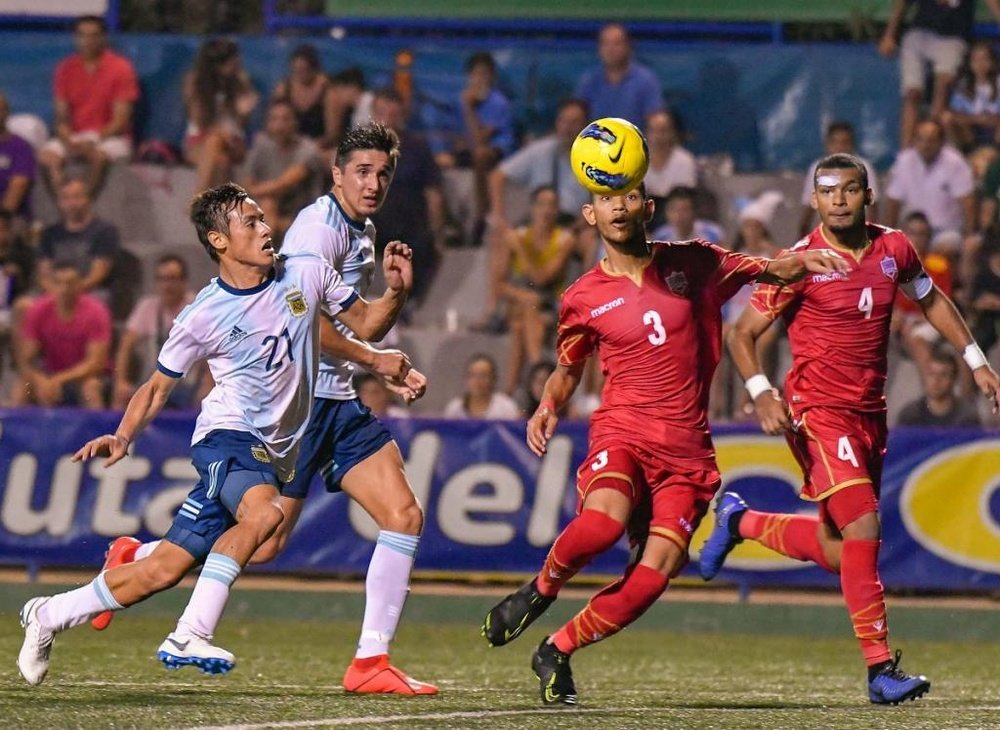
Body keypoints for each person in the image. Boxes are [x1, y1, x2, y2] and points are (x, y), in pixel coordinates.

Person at [17, 182, 413, 686]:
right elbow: (157, 387)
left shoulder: (307, 273)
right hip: (226, 436)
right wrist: (123, 435)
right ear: (219, 241)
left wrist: (395, 292)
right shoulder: (203, 313)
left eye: (263, 219)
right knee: (264, 513)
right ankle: (190, 632)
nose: (266, 229)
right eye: (250, 223)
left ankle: (47, 613)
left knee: (160, 571)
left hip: (274, 448)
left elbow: (368, 324)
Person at [480, 181, 849, 706]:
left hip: (687, 452)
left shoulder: (696, 263)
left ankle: (557, 649)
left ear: (647, 208)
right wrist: (546, 406)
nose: (620, 208)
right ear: (590, 213)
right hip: (623, 431)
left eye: (630, 198)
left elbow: (770, 269)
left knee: (652, 579)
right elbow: (567, 370)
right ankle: (539, 591)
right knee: (604, 522)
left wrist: (805, 258)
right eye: (608, 200)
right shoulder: (582, 296)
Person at [95, 124, 434, 695]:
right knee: (266, 539)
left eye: (383, 173)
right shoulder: (316, 232)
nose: (374, 183)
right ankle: (140, 558)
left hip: (336, 402)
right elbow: (298, 320)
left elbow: (366, 321)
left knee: (402, 516)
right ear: (336, 174)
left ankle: (370, 663)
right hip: (296, 409)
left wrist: (395, 297)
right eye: (362, 172)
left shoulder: (363, 230)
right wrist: (376, 363)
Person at [701, 153, 1000, 705]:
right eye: (828, 191)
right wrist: (762, 393)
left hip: (869, 414)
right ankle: (880, 671)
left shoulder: (894, 249)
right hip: (817, 412)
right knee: (864, 526)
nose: (838, 199)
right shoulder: (798, 263)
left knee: (843, 550)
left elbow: (931, 300)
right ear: (813, 201)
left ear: (868, 196)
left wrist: (975, 359)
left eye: (849, 189)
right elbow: (740, 334)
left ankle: (740, 521)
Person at [38, 15, 139, 195]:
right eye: (82, 35)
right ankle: (66, 204)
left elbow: (121, 120)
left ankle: (83, 202)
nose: (87, 41)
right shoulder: (65, 68)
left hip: (110, 138)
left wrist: (93, 140)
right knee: (47, 157)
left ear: (104, 38)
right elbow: (61, 116)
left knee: (98, 157)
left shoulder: (121, 68)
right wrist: (68, 140)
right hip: (75, 136)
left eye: (93, 35)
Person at [879, 0, 1000, 148]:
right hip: (920, 32)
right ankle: (905, 155)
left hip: (953, 36)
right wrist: (889, 35)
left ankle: (932, 142)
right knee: (912, 94)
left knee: (943, 84)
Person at [369, 87, 448, 307]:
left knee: (426, 246)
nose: (388, 119)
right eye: (383, 113)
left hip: (408, 226)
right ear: (374, 114)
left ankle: (408, 304)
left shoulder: (417, 148)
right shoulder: (359, 148)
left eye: (393, 114)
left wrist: (438, 231)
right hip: (369, 222)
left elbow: (433, 193)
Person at [498, 185, 575, 394]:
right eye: (541, 204)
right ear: (532, 208)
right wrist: (522, 296)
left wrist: (520, 248)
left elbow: (542, 278)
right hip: (521, 302)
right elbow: (500, 285)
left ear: (557, 210)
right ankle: (537, 369)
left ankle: (515, 386)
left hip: (552, 302)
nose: (546, 210)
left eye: (552, 205)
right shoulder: (518, 236)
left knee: (519, 325)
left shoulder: (564, 240)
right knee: (527, 305)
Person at [434, 51, 515, 243]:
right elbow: (454, 136)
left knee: (480, 155)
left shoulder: (498, 102)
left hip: (496, 151)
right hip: (468, 150)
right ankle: (451, 224)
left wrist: (469, 108)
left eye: (484, 75)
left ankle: (481, 216)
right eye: (476, 74)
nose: (480, 80)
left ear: (492, 78)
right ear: (469, 77)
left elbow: (480, 140)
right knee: (434, 162)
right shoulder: (458, 100)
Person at [112, 254, 205, 410]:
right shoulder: (147, 307)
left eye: (172, 279)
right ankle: (118, 434)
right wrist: (121, 381)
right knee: (122, 398)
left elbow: (214, 349)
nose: (167, 285)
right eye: (162, 279)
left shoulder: (198, 308)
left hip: (189, 385)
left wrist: (208, 383)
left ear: (184, 281)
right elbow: (126, 345)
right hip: (153, 383)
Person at [13, 261, 110, 408]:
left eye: (70, 283)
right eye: (59, 283)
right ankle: (10, 430)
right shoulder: (38, 310)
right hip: (50, 375)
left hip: (83, 377)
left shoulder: (96, 312)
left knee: (91, 388)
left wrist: (58, 379)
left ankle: (99, 430)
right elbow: (26, 360)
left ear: (79, 284)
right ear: (51, 285)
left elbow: (95, 363)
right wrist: (40, 380)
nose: (64, 289)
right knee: (23, 385)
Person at [884, 118, 975, 247]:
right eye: (921, 139)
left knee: (945, 249)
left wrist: (969, 235)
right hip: (912, 230)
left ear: (941, 142)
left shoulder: (955, 163)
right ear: (914, 140)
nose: (925, 145)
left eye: (931, 140)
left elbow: (968, 204)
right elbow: (893, 202)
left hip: (945, 231)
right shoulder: (904, 161)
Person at [183, 39, 259, 192]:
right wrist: (220, 133)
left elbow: (240, 125)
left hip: (234, 141)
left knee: (217, 143)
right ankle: (217, 211)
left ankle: (200, 198)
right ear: (216, 65)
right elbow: (199, 121)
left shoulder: (241, 82)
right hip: (201, 140)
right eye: (232, 63)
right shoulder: (195, 82)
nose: (236, 65)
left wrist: (244, 113)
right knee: (221, 159)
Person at [242, 99, 322, 240]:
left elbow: (283, 184)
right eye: (274, 119)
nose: (279, 125)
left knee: (267, 205)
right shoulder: (261, 147)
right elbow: (247, 181)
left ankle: (261, 257)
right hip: (266, 209)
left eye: (285, 119)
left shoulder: (308, 150)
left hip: (301, 213)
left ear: (295, 122)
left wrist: (249, 191)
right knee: (267, 205)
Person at [36, 178, 120, 303]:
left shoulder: (105, 231)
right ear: (59, 203)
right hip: (56, 292)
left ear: (89, 200)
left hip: (91, 291)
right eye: (66, 198)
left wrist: (69, 292)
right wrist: (57, 292)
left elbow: (98, 274)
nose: (72, 203)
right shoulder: (49, 233)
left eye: (77, 197)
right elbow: (44, 274)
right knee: (24, 305)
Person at [574, 22, 665, 127]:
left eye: (616, 44)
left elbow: (655, 119)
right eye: (605, 43)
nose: (610, 49)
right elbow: (576, 116)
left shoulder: (646, 80)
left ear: (629, 47)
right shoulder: (589, 79)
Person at [798, 121, 878, 237]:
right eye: (835, 142)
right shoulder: (817, 168)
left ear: (852, 144)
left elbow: (872, 209)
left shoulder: (864, 167)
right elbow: (808, 209)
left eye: (845, 143)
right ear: (827, 145)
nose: (840, 147)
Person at [271, 44, 337, 150]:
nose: (301, 75)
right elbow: (272, 124)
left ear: (314, 69)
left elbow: (333, 134)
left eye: (305, 70)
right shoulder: (284, 89)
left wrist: (308, 148)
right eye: (297, 71)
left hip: (319, 148)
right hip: (288, 146)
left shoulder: (328, 91)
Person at [897, 346, 981, 426]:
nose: (936, 380)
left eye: (943, 375)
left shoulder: (967, 417)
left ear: (954, 379)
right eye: (931, 374)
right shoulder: (910, 415)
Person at [643, 110, 696, 230]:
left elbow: (685, 198)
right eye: (654, 130)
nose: (658, 136)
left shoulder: (685, 161)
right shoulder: (637, 160)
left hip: (676, 219)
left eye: (663, 131)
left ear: (673, 132)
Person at [942, 40, 1000, 150]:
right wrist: (976, 119)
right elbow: (955, 114)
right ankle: (964, 155)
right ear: (969, 63)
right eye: (976, 59)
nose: (980, 64)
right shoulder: (962, 85)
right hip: (970, 132)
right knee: (947, 118)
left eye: (984, 59)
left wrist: (991, 119)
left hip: (995, 131)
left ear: (992, 62)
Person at [444, 352, 520, 420]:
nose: (478, 381)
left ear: (493, 379)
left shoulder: (505, 407)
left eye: (484, 376)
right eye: (473, 375)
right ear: (466, 379)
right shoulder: (455, 408)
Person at [0, 91, 36, 221]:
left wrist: (3, 220)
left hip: (12, 219)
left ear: (7, 113)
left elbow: (18, 187)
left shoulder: (20, 147)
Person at [650, 186, 724, 245]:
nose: (679, 215)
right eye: (673, 209)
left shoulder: (713, 234)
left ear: (695, 211)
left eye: (685, 210)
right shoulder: (660, 237)